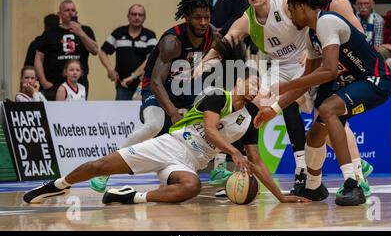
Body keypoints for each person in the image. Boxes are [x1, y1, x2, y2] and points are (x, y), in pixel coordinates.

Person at [23, 53, 309, 205]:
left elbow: (256, 160)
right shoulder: (218, 95)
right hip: (170, 145)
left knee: (192, 187)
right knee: (100, 165)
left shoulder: (248, 120)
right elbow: (210, 131)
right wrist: (234, 153)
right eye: (251, 82)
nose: (255, 88)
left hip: (188, 163)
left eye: (259, 86)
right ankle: (58, 185)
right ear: (238, 83)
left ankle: (131, 197)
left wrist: (280, 196)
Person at [254, 0, 391, 206]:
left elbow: (329, 71)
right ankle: (314, 187)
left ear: (302, 7)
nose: (290, 16)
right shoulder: (311, 34)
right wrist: (274, 109)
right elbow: (309, 78)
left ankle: (352, 183)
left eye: (291, 11)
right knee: (314, 137)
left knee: (327, 109)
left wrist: (287, 83)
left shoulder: (326, 22)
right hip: (352, 83)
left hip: (375, 80)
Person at [89, 0, 216, 193]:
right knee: (154, 126)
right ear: (186, 18)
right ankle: (106, 170)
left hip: (184, 86)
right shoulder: (171, 41)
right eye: (197, 18)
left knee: (214, 108)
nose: (203, 22)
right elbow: (157, 82)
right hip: (155, 87)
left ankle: (218, 168)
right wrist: (173, 113)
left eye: (206, 17)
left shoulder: (212, 34)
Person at [201, 0, 309, 195]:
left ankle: (347, 164)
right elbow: (226, 42)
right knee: (249, 109)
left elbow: (316, 20)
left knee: (319, 114)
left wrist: (313, 49)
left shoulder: (286, 3)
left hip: (305, 62)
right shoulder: (247, 19)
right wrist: (202, 63)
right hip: (278, 67)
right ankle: (231, 166)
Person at [308, 0, 374, 196]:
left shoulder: (337, 3)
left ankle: (358, 175)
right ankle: (359, 165)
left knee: (328, 116)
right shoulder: (315, 1)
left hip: (346, 69)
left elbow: (357, 34)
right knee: (322, 119)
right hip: (332, 67)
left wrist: (340, 62)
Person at [34, 0, 98, 100]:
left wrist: (81, 33)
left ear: (76, 13)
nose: (70, 12)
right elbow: (38, 57)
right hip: (53, 84)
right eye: (67, 10)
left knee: (78, 114)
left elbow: (95, 50)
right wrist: (43, 81)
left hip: (79, 83)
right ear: (59, 14)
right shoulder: (50, 32)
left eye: (73, 10)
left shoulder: (86, 30)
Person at [98, 4, 157, 100]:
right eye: (134, 14)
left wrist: (133, 76)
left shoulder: (150, 35)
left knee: (142, 114)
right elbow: (102, 52)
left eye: (140, 15)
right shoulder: (119, 33)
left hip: (142, 85)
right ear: (128, 16)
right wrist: (110, 70)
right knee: (120, 114)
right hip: (122, 85)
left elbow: (151, 58)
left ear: (144, 18)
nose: (137, 17)